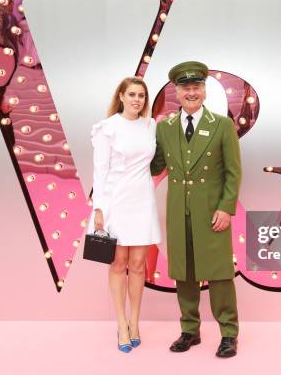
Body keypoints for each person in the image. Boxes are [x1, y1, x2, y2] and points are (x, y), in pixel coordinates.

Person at [150, 61, 242, 358]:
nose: (191, 92)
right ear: (176, 92)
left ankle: (228, 333)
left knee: (219, 274)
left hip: (211, 212)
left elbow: (233, 171)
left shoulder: (222, 125)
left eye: (197, 87)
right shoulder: (164, 128)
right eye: (186, 88)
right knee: (184, 273)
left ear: (204, 90)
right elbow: (156, 165)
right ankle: (190, 330)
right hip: (178, 212)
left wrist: (226, 208)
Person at [88, 76, 160, 353]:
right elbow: (100, 171)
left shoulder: (151, 125)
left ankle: (134, 321)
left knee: (139, 265)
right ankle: (120, 324)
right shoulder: (107, 128)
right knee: (118, 263)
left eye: (141, 95)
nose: (137, 100)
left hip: (142, 200)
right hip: (116, 201)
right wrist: (99, 209)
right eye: (131, 94)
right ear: (121, 96)